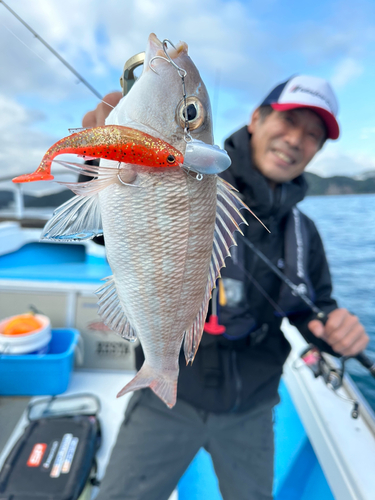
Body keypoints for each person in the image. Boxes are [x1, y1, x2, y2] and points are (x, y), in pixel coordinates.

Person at [89, 76, 369, 500]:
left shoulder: (304, 233)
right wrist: (103, 168)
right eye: (290, 121)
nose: (296, 140)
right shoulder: (189, 173)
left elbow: (312, 309)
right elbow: (113, 232)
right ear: (256, 118)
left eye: (313, 136)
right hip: (167, 402)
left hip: (252, 408)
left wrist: (333, 331)